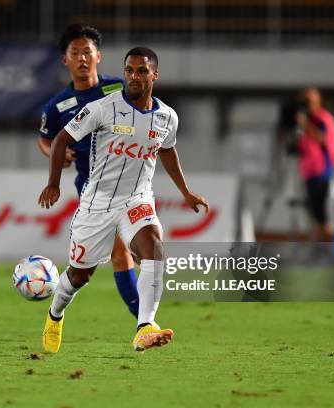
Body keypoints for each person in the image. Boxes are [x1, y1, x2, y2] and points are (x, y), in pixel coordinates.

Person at [38, 47, 209, 353]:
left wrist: (185, 191)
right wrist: (54, 183)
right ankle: (55, 314)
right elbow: (62, 138)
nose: (133, 76)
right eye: (129, 70)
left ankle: (145, 327)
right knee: (79, 275)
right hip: (97, 202)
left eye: (142, 71)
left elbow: (167, 150)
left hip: (137, 199)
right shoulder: (103, 108)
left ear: (154, 75)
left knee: (154, 247)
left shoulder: (167, 117)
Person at [38, 23, 140, 319]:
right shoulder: (57, 105)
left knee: (127, 253)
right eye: (75, 53)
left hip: (131, 180)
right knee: (119, 254)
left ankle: (144, 322)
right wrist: (57, 155)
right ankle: (144, 323)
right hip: (94, 185)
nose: (82, 58)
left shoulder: (118, 89)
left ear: (98, 56)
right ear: (65, 60)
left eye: (87, 52)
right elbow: (46, 140)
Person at [295, 87, 334, 241]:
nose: (307, 105)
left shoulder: (322, 118)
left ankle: (329, 245)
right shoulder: (308, 121)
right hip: (310, 170)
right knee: (315, 211)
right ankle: (321, 244)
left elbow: (322, 138)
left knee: (322, 212)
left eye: (310, 101)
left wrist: (304, 123)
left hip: (322, 170)